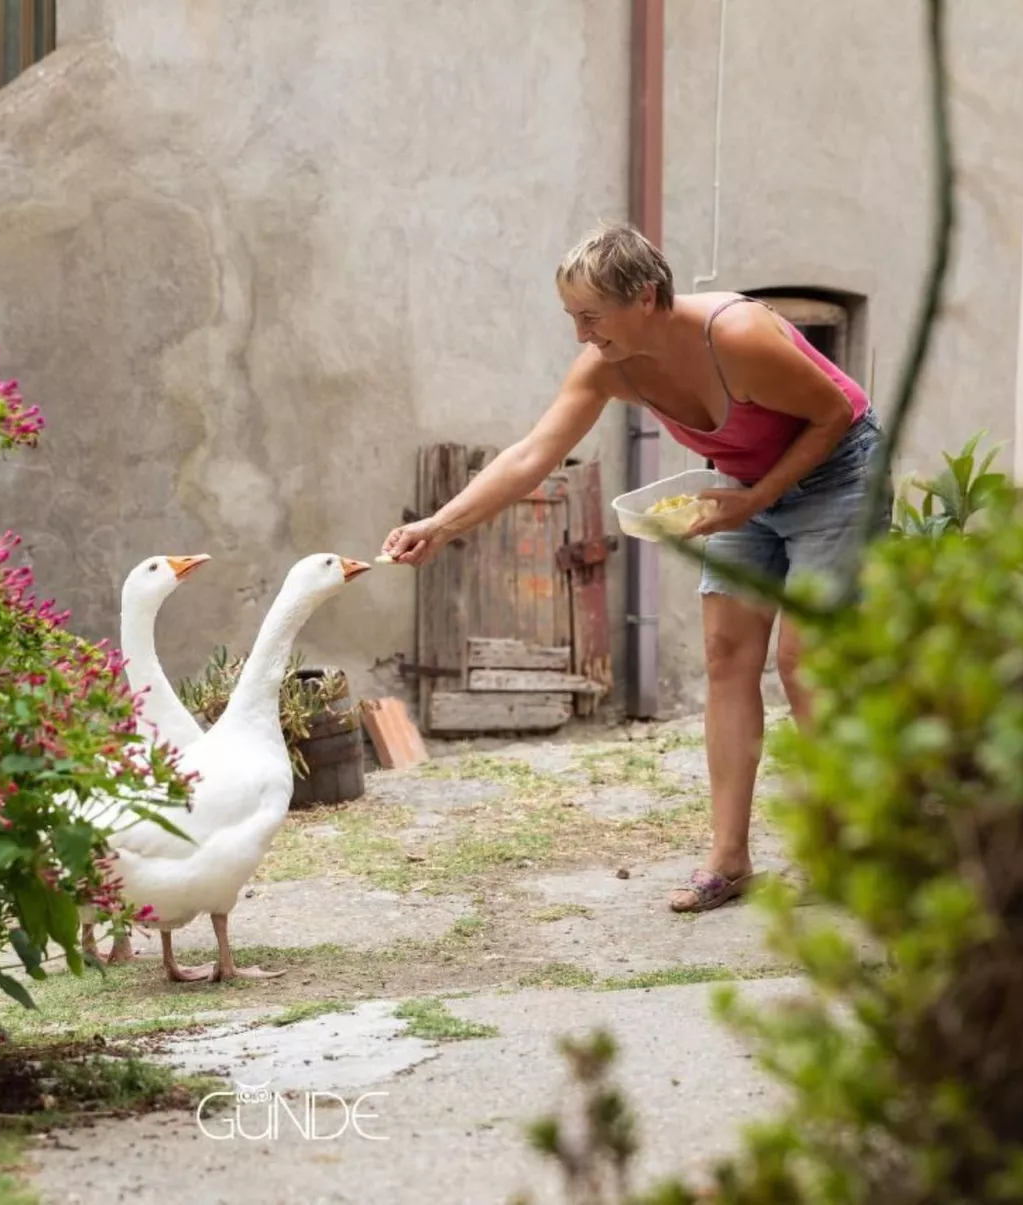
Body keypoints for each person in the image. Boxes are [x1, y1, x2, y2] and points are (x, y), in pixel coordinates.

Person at [380, 223, 889, 913]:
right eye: (573, 317)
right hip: (742, 491)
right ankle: (728, 859)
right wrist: (440, 523)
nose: (581, 334)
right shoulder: (609, 366)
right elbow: (534, 452)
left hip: (836, 475)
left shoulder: (736, 337)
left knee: (804, 661)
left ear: (645, 296)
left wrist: (759, 498)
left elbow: (834, 412)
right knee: (725, 654)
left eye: (591, 315)